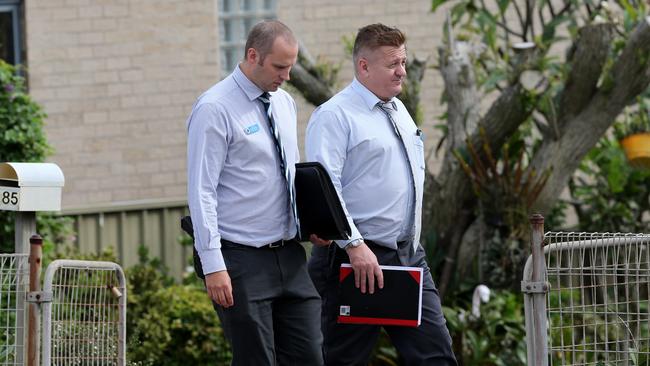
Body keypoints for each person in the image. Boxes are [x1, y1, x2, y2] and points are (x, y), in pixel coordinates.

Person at [305, 23, 457, 365]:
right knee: (348, 359)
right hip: (355, 259)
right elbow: (325, 188)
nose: (402, 71)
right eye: (393, 64)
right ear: (363, 66)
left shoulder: (398, 108)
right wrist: (354, 246)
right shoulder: (334, 116)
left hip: (407, 256)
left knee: (435, 355)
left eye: (402, 62)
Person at [186, 20, 327, 365]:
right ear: (253, 56)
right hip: (240, 259)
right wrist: (213, 265)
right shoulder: (214, 107)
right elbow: (201, 190)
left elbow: (290, 174)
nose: (287, 77)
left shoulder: (284, 104)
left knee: (310, 356)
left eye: (291, 67)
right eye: (280, 67)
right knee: (256, 360)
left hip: (290, 255)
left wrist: (311, 222)